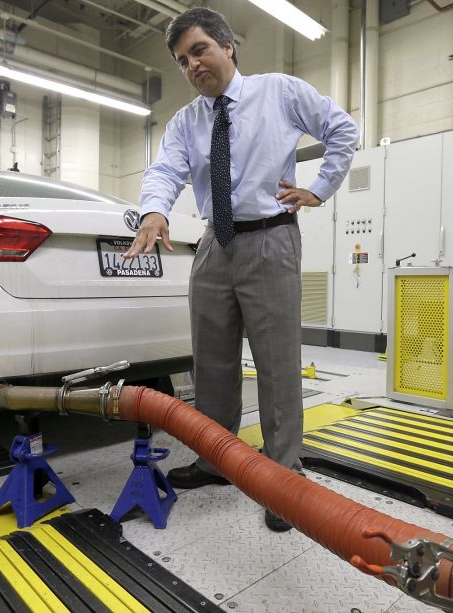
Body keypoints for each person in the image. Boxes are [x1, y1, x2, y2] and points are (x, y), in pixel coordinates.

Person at [123, 7, 357, 532]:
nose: (192, 66)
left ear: (228, 47)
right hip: (214, 246)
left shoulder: (279, 92)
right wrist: (156, 208)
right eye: (182, 61)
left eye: (199, 50)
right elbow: (164, 170)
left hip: (270, 240)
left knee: (276, 365)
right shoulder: (187, 121)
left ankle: (283, 479)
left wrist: (318, 188)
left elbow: (343, 130)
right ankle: (215, 460)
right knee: (211, 363)